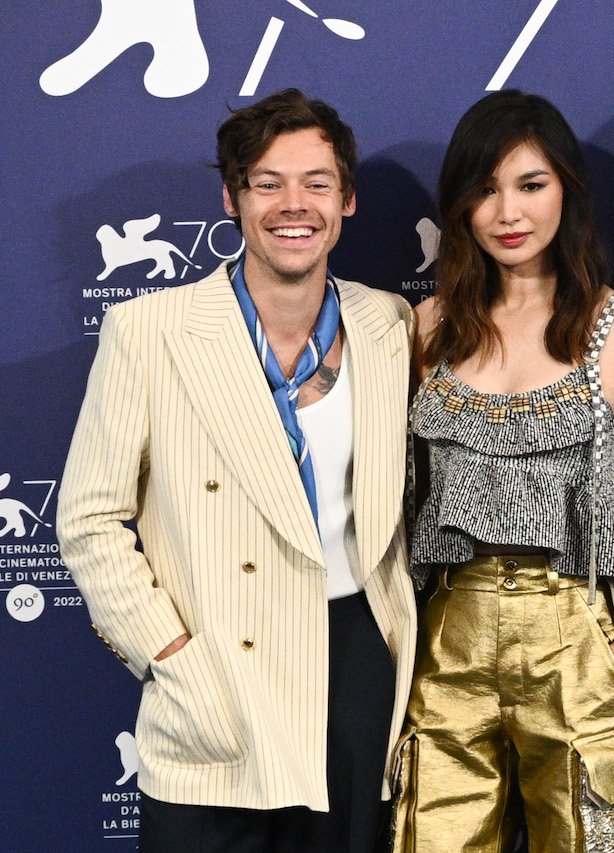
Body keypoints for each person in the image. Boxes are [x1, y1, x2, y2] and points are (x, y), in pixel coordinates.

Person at [57, 89, 417, 852]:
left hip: (354, 661)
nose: (295, 205)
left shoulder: (390, 322)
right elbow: (88, 518)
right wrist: (170, 654)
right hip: (218, 660)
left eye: (317, 183)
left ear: (347, 200)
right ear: (232, 197)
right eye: (267, 183)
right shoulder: (150, 330)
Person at [392, 90, 614, 852]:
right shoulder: (426, 329)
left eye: (530, 184)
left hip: (580, 626)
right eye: (485, 189)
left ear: (568, 192)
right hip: (448, 633)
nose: (508, 212)